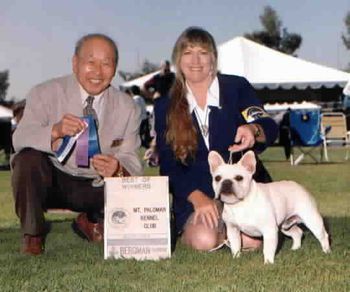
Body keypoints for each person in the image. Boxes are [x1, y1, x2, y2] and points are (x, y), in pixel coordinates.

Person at [11, 33, 142, 255]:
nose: (98, 72)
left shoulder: (129, 107)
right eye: (90, 62)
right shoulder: (44, 93)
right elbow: (20, 138)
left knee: (132, 185)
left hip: (95, 185)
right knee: (26, 160)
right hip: (53, 179)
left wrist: (117, 167)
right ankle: (33, 232)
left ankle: (91, 220)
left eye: (106, 64)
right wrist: (54, 131)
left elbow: (132, 158)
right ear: (75, 63)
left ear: (115, 68)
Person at [154, 27, 278, 251]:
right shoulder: (165, 105)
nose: (195, 60)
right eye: (188, 53)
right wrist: (196, 197)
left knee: (254, 241)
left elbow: (269, 126)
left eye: (203, 52)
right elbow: (167, 164)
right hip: (194, 196)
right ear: (177, 60)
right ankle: (217, 229)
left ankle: (232, 229)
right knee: (204, 240)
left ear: (213, 58)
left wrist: (254, 129)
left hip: (245, 193)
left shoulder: (237, 87)